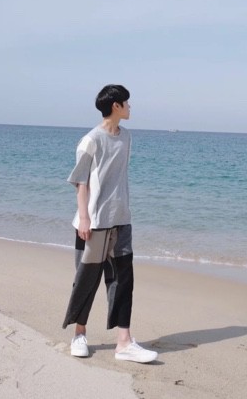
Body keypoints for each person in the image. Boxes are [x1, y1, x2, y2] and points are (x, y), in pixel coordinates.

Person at [62, 84, 158, 363]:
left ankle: (124, 342)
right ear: (116, 105)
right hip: (93, 222)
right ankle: (79, 334)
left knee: (123, 280)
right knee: (86, 280)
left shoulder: (126, 137)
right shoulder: (90, 140)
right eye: (127, 102)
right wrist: (84, 217)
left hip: (121, 220)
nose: (130, 107)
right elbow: (80, 181)